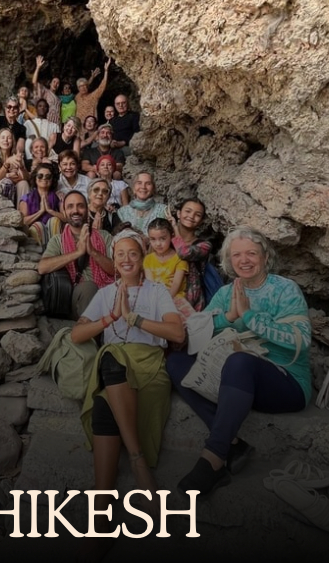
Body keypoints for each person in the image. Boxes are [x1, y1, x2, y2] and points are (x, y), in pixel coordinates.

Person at [166, 226, 312, 496]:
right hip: (237, 383)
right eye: (236, 255)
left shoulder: (285, 289)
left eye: (251, 253)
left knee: (240, 361)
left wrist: (249, 317)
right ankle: (232, 442)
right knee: (176, 363)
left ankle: (213, 459)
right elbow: (197, 337)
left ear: (265, 256)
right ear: (228, 261)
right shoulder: (225, 293)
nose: (244, 260)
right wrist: (229, 317)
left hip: (286, 383)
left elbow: (301, 341)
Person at [72, 229, 184, 530]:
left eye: (133, 253)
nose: (126, 259)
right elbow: (76, 334)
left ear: (142, 256)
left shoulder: (157, 291)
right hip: (116, 366)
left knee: (106, 392)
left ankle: (100, 523)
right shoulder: (105, 294)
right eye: (120, 254)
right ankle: (135, 464)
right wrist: (111, 317)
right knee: (110, 361)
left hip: (149, 366)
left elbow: (177, 333)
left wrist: (133, 318)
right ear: (113, 258)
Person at [37, 191, 115, 319]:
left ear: (87, 209)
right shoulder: (58, 240)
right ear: (64, 212)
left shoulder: (104, 236)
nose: (75, 211)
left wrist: (93, 252)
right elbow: (42, 267)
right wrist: (78, 252)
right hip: (75, 297)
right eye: (70, 206)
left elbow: (115, 270)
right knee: (89, 288)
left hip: (106, 292)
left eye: (80, 206)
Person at [143, 218, 195, 324]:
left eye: (162, 239)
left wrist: (164, 301)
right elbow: (151, 284)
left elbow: (176, 285)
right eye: (153, 239)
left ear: (171, 236)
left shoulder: (179, 258)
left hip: (176, 299)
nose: (158, 243)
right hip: (155, 298)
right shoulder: (148, 259)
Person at [167, 198, 213, 312]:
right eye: (188, 211)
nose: (191, 216)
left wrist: (175, 228)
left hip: (191, 301)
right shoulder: (165, 241)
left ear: (201, 221)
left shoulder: (204, 245)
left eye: (197, 215)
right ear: (179, 213)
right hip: (164, 295)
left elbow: (183, 252)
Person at [19, 163, 65, 247]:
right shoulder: (26, 198)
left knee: (54, 221)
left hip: (54, 231)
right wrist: (40, 212)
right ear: (35, 178)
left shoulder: (58, 196)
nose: (44, 178)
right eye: (40, 176)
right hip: (34, 235)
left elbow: (66, 218)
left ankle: (55, 251)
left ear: (52, 179)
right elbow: (23, 221)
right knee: (38, 226)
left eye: (48, 176)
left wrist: (50, 211)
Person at [117, 171, 167, 237]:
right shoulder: (122, 212)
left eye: (148, 183)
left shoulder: (163, 210)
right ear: (133, 188)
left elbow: (169, 237)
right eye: (139, 183)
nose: (143, 187)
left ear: (153, 188)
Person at [0, 127, 30, 203]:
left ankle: (23, 209)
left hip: (14, 188)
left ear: (13, 141)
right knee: (7, 182)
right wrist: (7, 163)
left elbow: (26, 178)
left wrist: (21, 166)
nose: (6, 140)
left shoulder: (16, 157)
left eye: (9, 138)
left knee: (24, 183)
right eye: (3, 138)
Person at [32, 55, 61, 125]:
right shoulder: (46, 92)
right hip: (46, 122)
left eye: (58, 83)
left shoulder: (59, 99)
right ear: (50, 83)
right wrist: (38, 68)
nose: (55, 84)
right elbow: (34, 82)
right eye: (54, 82)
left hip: (56, 123)